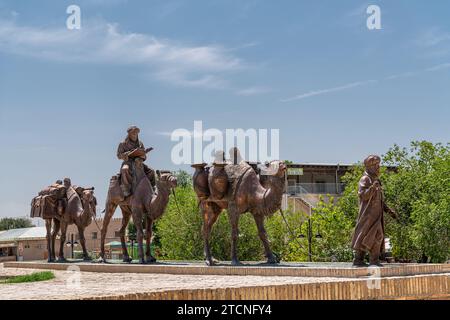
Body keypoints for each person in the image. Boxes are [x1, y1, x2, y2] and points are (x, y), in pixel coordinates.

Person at [351, 155, 398, 267]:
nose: (378, 167)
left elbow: (380, 200)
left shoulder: (376, 180)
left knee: (372, 236)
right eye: (376, 165)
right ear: (369, 166)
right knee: (371, 236)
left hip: (376, 216)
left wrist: (389, 211)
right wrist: (372, 188)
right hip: (367, 216)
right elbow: (363, 195)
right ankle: (368, 260)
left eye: (378, 165)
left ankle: (365, 259)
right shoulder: (365, 179)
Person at [117, 126, 155, 196]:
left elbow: (144, 156)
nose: (135, 134)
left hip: (138, 162)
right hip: (128, 162)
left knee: (151, 171)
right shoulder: (123, 144)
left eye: (136, 133)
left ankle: (152, 187)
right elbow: (119, 155)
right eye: (133, 133)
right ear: (129, 134)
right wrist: (128, 153)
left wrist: (143, 154)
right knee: (125, 169)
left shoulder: (140, 144)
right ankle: (126, 189)